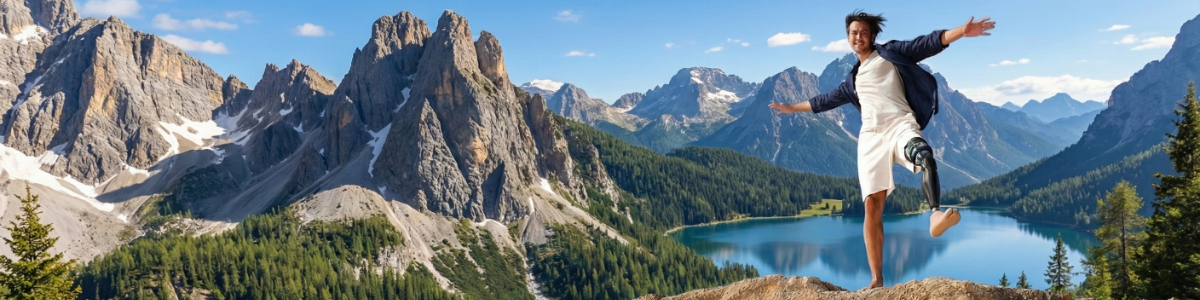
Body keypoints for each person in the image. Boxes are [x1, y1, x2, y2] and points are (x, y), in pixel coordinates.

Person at [769, 11, 995, 289]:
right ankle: (876, 279)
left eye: (864, 32)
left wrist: (962, 31)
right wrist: (792, 108)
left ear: (873, 36)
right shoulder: (851, 81)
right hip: (871, 139)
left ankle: (935, 215)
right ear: (848, 37)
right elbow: (824, 101)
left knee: (924, 156)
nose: (858, 37)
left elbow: (927, 43)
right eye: (854, 33)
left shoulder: (892, 53)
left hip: (900, 124)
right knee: (872, 206)